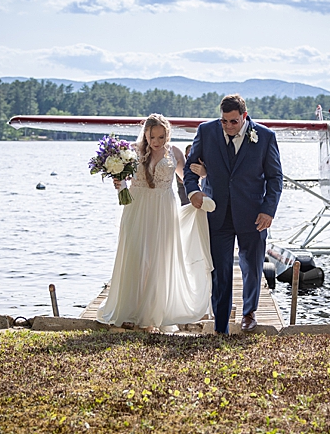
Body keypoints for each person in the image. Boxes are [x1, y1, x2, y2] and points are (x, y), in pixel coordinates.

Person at [98, 114, 213, 332]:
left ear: (167, 135)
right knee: (136, 255)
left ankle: (152, 313)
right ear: (146, 134)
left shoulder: (175, 153)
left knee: (158, 258)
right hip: (137, 206)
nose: (157, 142)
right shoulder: (133, 152)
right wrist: (118, 182)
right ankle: (130, 310)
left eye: (161, 137)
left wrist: (202, 176)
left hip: (163, 209)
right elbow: (123, 178)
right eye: (152, 137)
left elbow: (187, 178)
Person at [184, 94, 282, 334]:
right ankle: (221, 323)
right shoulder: (206, 132)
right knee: (221, 269)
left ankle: (249, 313)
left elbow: (275, 178)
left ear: (244, 117)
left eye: (234, 122)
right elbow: (189, 169)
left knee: (252, 266)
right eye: (224, 121)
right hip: (217, 213)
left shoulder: (265, 137)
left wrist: (268, 210)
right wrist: (193, 192)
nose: (228, 126)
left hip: (253, 214)